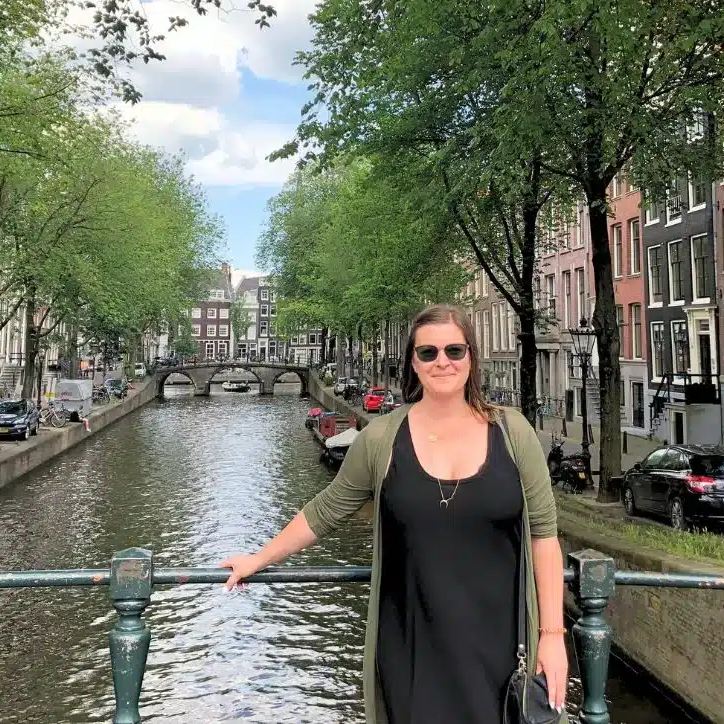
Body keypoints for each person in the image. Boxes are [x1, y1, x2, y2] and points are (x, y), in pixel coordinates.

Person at [221, 304, 567, 724]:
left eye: (455, 351)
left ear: (471, 358)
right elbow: (326, 510)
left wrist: (552, 636)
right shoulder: (382, 438)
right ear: (413, 363)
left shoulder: (514, 434)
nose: (443, 361)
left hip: (502, 647)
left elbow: (544, 537)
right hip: (412, 648)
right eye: (428, 353)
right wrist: (260, 558)